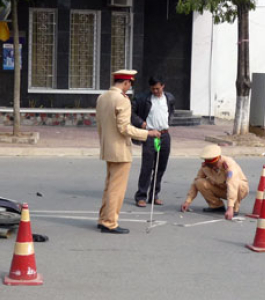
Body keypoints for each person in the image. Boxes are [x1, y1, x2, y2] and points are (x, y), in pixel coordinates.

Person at [96, 69, 161, 234]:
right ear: (126, 83)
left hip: (107, 147)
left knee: (109, 186)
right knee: (116, 189)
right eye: (130, 84)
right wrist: (148, 134)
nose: (129, 87)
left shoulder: (102, 97)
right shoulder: (122, 100)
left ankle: (104, 218)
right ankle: (110, 222)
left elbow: (100, 125)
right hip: (120, 149)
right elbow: (125, 128)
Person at [131, 76, 175, 207]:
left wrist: (167, 123)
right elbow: (131, 113)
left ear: (163, 86)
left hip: (164, 135)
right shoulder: (143, 98)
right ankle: (141, 196)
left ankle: (154, 195)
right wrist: (142, 123)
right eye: (153, 89)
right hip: (150, 135)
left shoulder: (169, 98)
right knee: (147, 167)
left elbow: (171, 111)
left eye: (157, 88)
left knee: (160, 167)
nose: (155, 91)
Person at [180, 145, 249, 220]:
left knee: (238, 184)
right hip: (222, 189)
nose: (212, 167)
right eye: (209, 165)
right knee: (199, 182)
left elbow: (232, 185)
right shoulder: (206, 166)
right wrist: (188, 201)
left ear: (218, 159)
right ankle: (216, 205)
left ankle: (235, 208)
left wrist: (230, 207)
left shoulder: (229, 165)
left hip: (238, 190)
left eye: (214, 164)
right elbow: (196, 182)